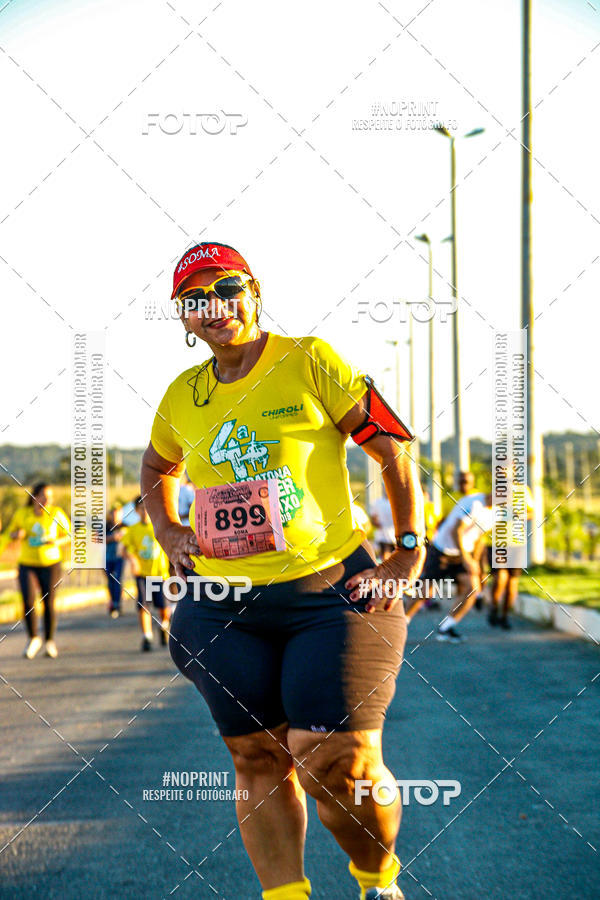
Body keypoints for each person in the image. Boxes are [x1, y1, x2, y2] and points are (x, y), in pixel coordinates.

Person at [141, 241, 426, 900]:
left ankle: (378, 880)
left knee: (337, 762)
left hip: (332, 593)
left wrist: (408, 548)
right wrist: (167, 529)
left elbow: (391, 443)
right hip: (223, 605)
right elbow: (157, 468)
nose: (214, 306)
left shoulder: (309, 360)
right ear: (182, 315)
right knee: (256, 756)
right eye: (195, 298)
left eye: (227, 288)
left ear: (255, 292)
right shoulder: (182, 395)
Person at [407, 492, 494, 641]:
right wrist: (467, 559)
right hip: (442, 550)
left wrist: (476, 561)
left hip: (463, 553)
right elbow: (457, 531)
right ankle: (402, 622)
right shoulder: (474, 503)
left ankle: (445, 628)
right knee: (426, 592)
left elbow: (479, 537)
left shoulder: (496, 513)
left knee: (472, 589)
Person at [1, 483, 70, 659]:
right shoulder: (22, 514)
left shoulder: (56, 514)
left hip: (51, 563)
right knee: (28, 600)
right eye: (44, 496)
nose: (47, 500)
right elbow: (9, 533)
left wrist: (56, 542)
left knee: (48, 602)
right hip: (27, 564)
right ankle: (33, 639)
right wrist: (16, 535)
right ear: (34, 497)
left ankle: (49, 641)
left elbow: (69, 535)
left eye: (50, 497)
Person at [120, 496, 170, 651]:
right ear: (136, 511)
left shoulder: (160, 527)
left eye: (147, 508)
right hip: (142, 575)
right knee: (143, 605)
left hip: (160, 574)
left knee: (164, 608)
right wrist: (132, 559)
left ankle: (164, 626)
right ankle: (147, 636)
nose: (145, 512)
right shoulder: (132, 530)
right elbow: (122, 550)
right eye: (141, 509)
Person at [488, 483, 534, 629]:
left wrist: (520, 515)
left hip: (516, 543)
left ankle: (505, 616)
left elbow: (531, 513)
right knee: (500, 578)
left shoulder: (523, 490)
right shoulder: (494, 488)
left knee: (512, 583)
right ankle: (494, 606)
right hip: (497, 542)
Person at [105, 505, 126, 618]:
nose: (115, 515)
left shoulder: (125, 526)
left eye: (118, 513)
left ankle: (117, 605)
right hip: (107, 558)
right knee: (110, 581)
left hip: (120, 558)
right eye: (113, 513)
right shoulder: (106, 526)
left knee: (117, 579)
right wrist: (112, 538)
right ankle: (112, 603)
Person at [369, 494, 395, 560]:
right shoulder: (377, 502)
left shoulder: (396, 502)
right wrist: (378, 525)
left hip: (395, 536)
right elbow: (373, 517)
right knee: (385, 555)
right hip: (383, 535)